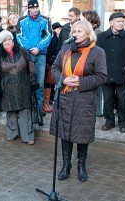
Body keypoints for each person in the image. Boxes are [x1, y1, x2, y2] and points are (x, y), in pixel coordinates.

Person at [50, 20, 107, 182]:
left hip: (84, 99)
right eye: (74, 31)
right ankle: (66, 165)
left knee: (81, 133)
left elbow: (101, 76)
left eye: (79, 31)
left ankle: (81, 165)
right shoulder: (66, 48)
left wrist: (80, 82)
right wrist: (63, 80)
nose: (75, 34)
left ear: (88, 33)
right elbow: (55, 68)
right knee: (65, 132)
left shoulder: (98, 52)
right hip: (65, 97)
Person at [0, 30, 38, 144]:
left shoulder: (22, 50)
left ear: (12, 40)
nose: (7, 42)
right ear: (1, 43)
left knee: (25, 110)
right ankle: (12, 133)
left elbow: (31, 66)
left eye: (9, 39)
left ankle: (28, 136)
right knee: (10, 111)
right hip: (7, 87)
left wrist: (33, 82)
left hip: (24, 85)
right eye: (4, 40)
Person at [97, 12, 125, 133]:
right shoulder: (102, 37)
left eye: (122, 21)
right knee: (108, 99)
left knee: (123, 100)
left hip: (122, 75)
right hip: (106, 74)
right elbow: (97, 56)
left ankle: (123, 122)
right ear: (111, 23)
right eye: (118, 21)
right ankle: (109, 121)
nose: (121, 23)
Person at [16, 0, 52, 117]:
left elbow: (48, 36)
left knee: (40, 83)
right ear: (29, 9)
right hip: (27, 55)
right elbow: (19, 36)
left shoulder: (45, 20)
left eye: (37, 7)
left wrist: (38, 48)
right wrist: (30, 48)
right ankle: (28, 107)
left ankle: (39, 107)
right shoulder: (22, 21)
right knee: (27, 82)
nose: (35, 10)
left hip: (41, 55)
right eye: (33, 8)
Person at [45, 22, 63, 110]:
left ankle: (48, 101)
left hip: (52, 61)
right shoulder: (53, 36)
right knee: (48, 81)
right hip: (49, 61)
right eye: (59, 28)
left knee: (50, 82)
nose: (60, 30)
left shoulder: (56, 37)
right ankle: (47, 102)